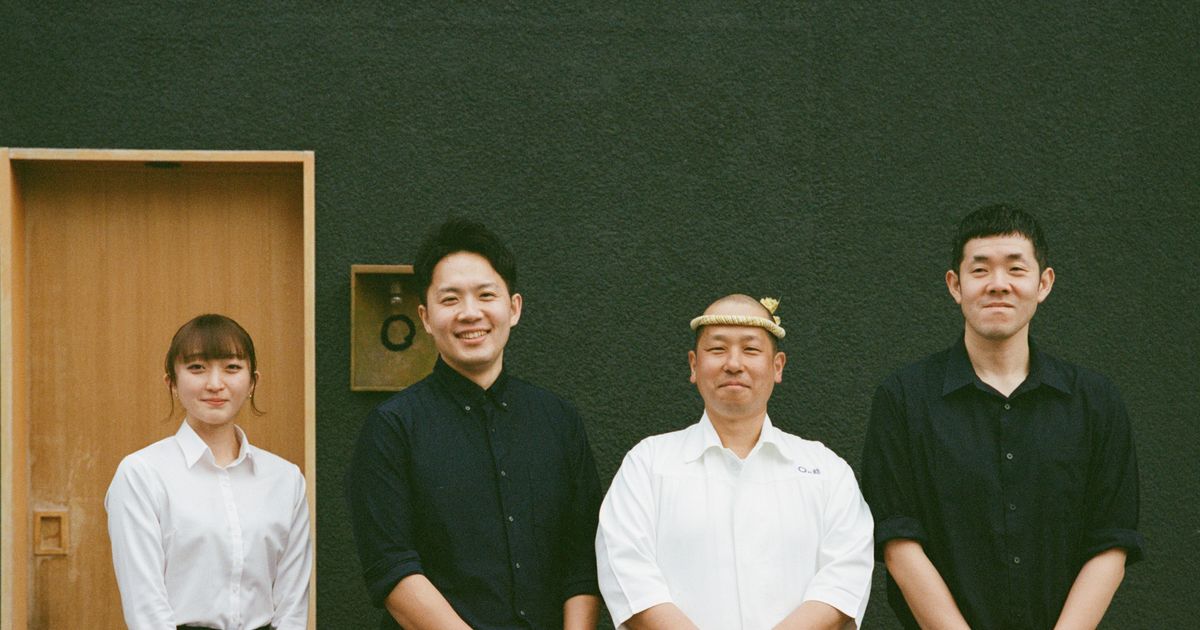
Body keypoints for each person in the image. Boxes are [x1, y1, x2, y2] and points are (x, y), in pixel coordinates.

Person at [861, 204, 1143, 629]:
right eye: (980, 270)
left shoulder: (1095, 402)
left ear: (1043, 283)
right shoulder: (903, 399)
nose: (998, 284)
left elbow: (1111, 540)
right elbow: (897, 540)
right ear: (955, 285)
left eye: (1015, 269)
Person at [345, 219, 602, 629]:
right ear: (425, 317)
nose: (470, 313)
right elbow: (391, 569)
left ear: (513, 308)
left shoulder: (559, 420)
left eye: (486, 295)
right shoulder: (392, 428)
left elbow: (582, 564)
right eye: (450, 299)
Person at [596, 294, 874, 630]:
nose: (733, 363)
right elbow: (627, 573)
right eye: (717, 349)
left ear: (778, 366)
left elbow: (845, 579)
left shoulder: (827, 471)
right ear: (694, 365)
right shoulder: (648, 464)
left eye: (751, 349)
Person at [106, 313, 311, 630]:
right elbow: (145, 608)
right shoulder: (141, 474)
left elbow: (292, 607)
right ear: (171, 382)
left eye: (232, 367)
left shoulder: (285, 479)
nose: (215, 384)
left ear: (253, 381)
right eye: (197, 368)